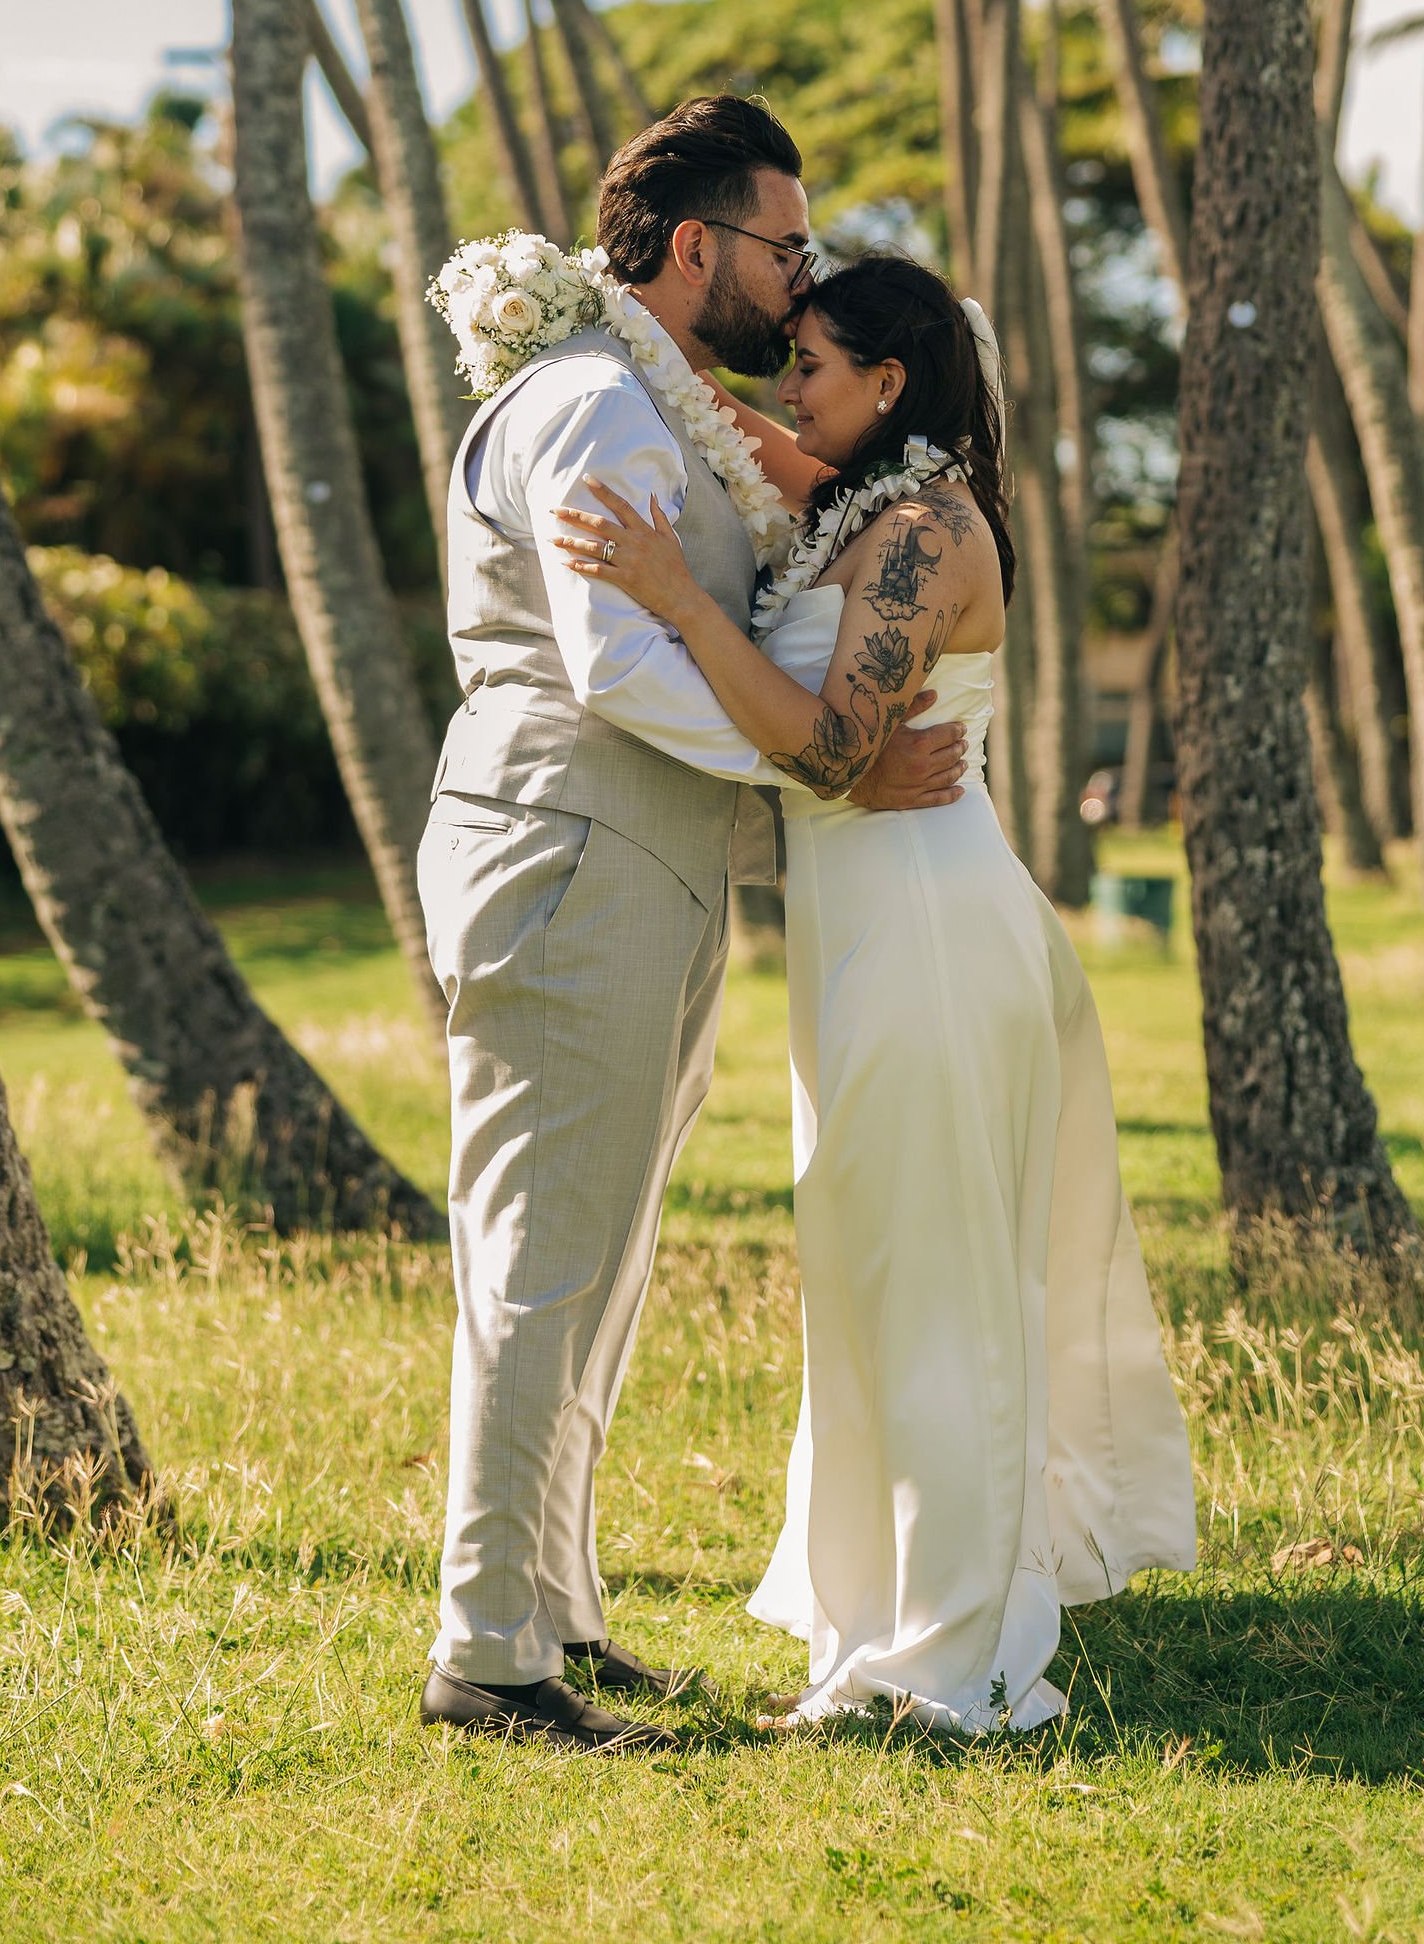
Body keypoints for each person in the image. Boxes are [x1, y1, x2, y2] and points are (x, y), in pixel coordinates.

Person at [553, 255, 1196, 1734]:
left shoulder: (919, 530)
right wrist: (571, 302)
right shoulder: (861, 496)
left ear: (889, 384)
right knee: (874, 1285)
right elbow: (721, 418)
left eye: (816, 365)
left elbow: (838, 748)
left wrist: (672, 597)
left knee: (940, 1296)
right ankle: (886, 1614)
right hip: (871, 940)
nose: (790, 392)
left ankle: (948, 1657)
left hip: (928, 939)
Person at [417, 103, 969, 1754]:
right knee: (540, 1256)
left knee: (605, 1257)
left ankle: (554, 1613)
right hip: (574, 838)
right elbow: (619, 663)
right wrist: (829, 767)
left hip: (639, 852)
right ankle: (487, 1656)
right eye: (784, 248)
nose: (798, 283)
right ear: (690, 246)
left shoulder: (658, 403)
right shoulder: (595, 403)